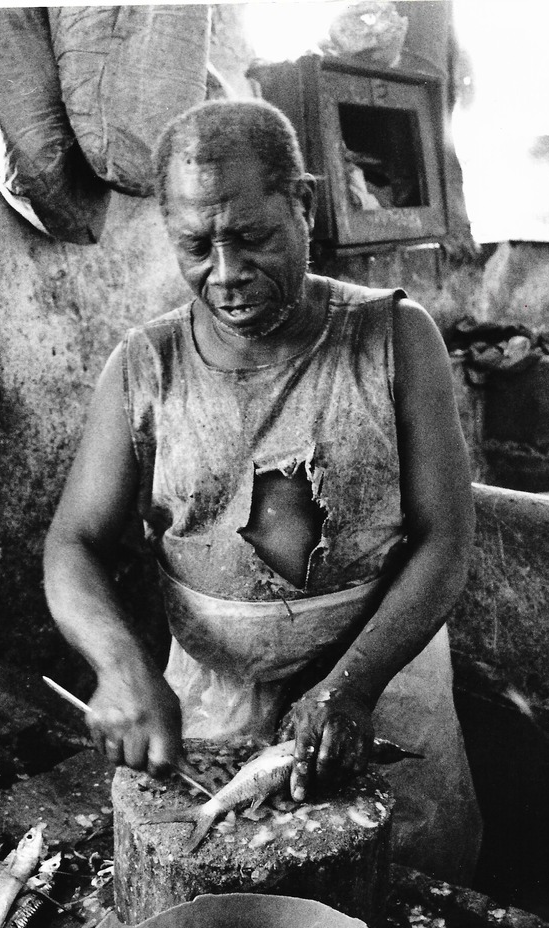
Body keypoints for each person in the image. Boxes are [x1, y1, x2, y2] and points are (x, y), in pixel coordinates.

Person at [43, 99, 482, 882]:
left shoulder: (390, 338)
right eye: (195, 246)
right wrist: (118, 663)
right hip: (215, 684)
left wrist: (352, 687)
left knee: (407, 879)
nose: (227, 272)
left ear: (302, 206)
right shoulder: (145, 367)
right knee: (224, 876)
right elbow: (73, 541)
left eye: (252, 237)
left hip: (381, 668)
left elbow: (446, 538)